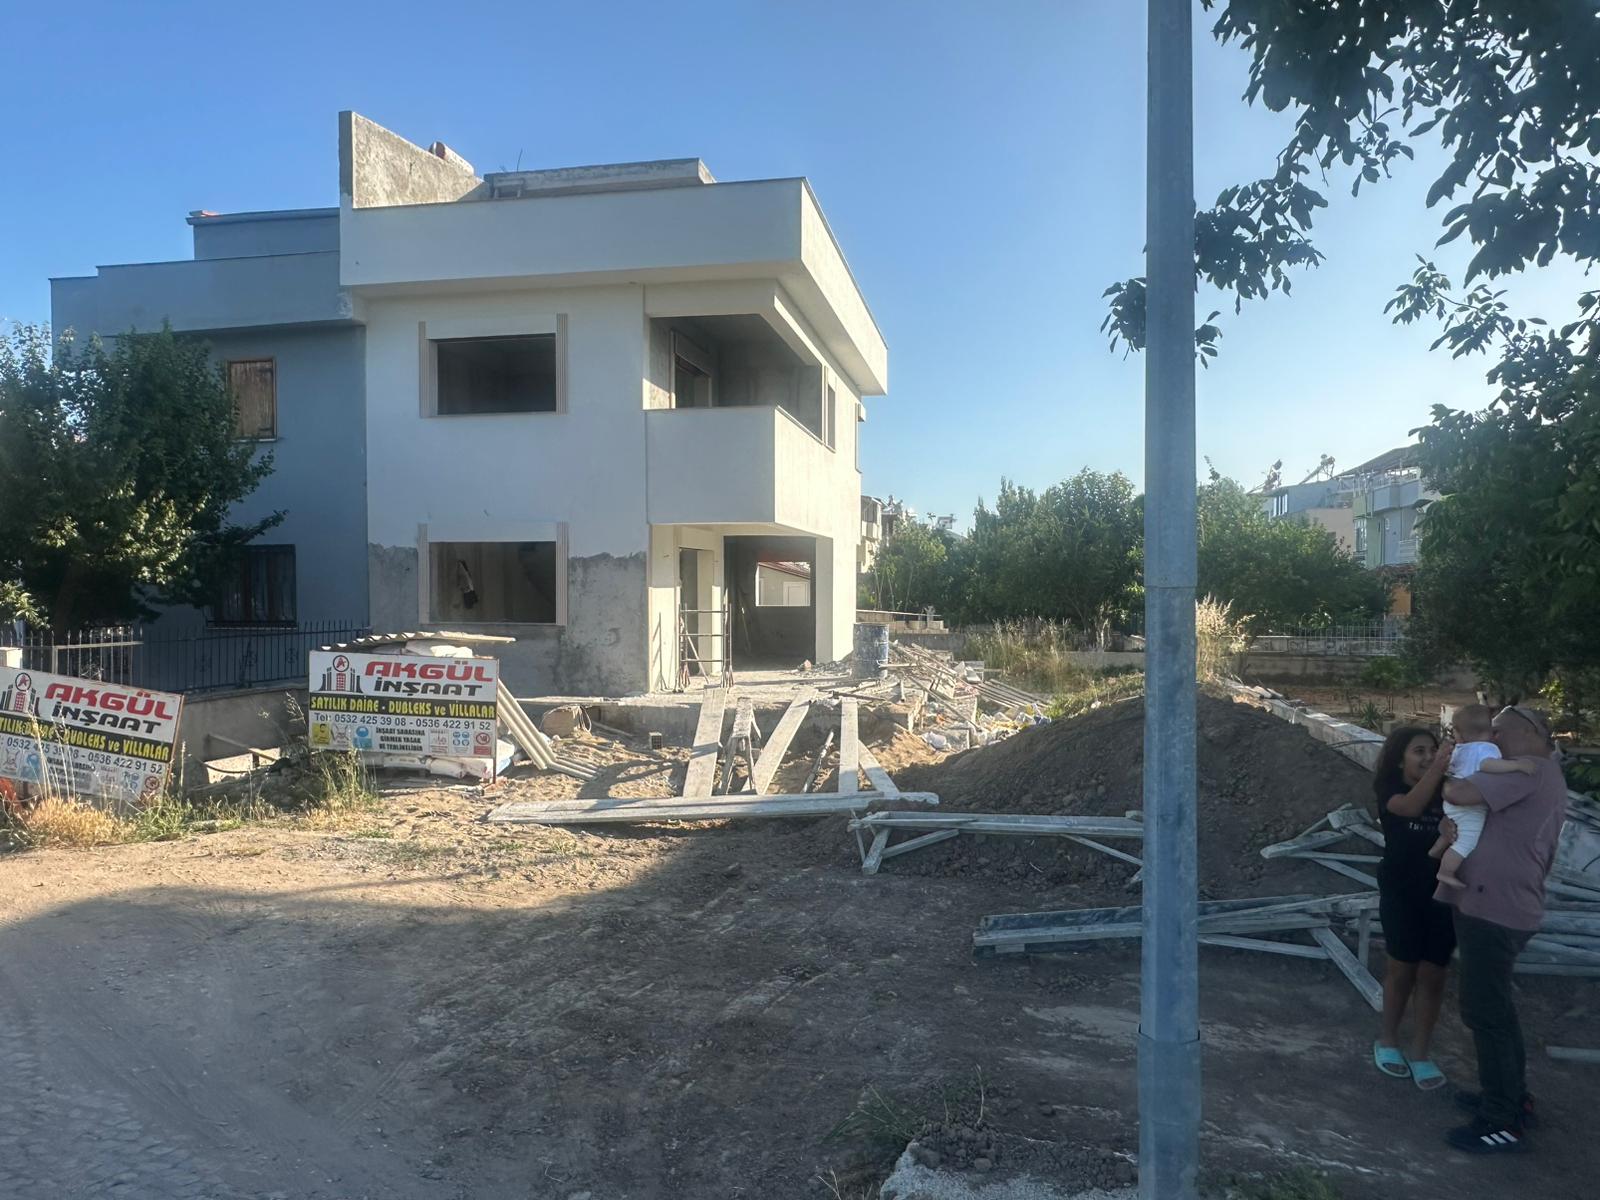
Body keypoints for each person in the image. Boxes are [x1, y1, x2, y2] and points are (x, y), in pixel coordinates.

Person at [1436, 705, 1566, 1155]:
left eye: (1498, 731)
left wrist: (1445, 780)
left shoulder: (1529, 770)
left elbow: (1460, 792)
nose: (1490, 738)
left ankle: (1501, 1120)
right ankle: (1511, 1097)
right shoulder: (1536, 772)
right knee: (1497, 1012)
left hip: (1496, 910)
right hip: (1497, 904)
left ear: (1528, 733)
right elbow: (1471, 813)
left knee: (1486, 1013)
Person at [1371, 725, 1456, 1091]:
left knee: (1433, 974)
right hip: (1402, 890)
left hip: (1444, 892)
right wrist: (1438, 768)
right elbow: (1409, 808)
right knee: (1402, 969)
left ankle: (1421, 1052)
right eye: (1419, 751)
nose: (1428, 757)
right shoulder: (1390, 787)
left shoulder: (1451, 790)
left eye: (1432, 750)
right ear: (1400, 758)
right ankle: (1388, 1040)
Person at [1430, 704, 1537, 889]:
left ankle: (1437, 849)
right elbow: (1488, 765)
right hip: (1470, 807)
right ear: (1490, 731)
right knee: (1468, 841)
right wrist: (1516, 766)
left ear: (1458, 733)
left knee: (1457, 830)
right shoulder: (1486, 748)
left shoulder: (1460, 749)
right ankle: (1445, 872)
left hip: (1453, 803)